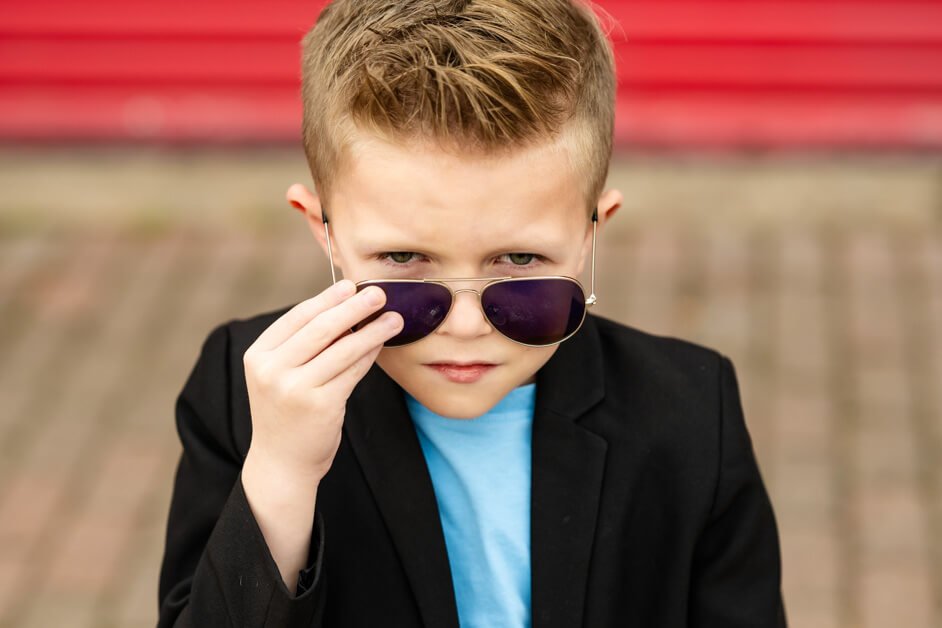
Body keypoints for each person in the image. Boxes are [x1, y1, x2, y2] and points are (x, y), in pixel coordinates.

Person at [156, 1, 787, 626]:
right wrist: (282, 472)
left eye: (518, 259)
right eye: (404, 258)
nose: (464, 325)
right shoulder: (244, 395)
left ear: (593, 232)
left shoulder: (692, 412)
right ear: (324, 229)